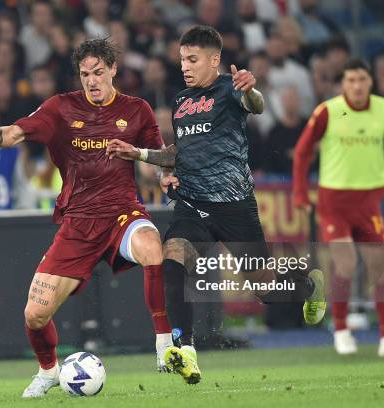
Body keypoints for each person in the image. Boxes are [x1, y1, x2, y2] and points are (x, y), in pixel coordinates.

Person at [0, 38, 195, 397]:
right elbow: (14, 134)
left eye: (98, 73)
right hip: (78, 223)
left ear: (113, 70)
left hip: (121, 214)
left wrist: (163, 175)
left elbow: (157, 159)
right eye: (85, 74)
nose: (92, 81)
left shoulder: (138, 109)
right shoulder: (60, 109)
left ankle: (163, 344)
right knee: (34, 315)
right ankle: (48, 372)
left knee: (152, 247)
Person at [106, 25, 326, 378]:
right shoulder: (180, 103)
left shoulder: (230, 89)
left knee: (267, 290)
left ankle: (308, 284)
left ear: (214, 60)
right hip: (192, 203)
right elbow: (180, 153)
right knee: (172, 256)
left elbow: (256, 105)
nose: (185, 67)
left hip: (234, 205)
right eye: (181, 60)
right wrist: (140, 153)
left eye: (192, 59)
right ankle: (185, 349)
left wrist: (251, 90)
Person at [293, 59, 384, 357]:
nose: (356, 85)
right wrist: (300, 194)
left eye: (361, 79)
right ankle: (340, 330)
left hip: (369, 203)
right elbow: (302, 152)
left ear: (370, 82)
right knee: (347, 264)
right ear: (343, 84)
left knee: (382, 269)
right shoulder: (328, 110)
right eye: (350, 80)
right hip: (334, 202)